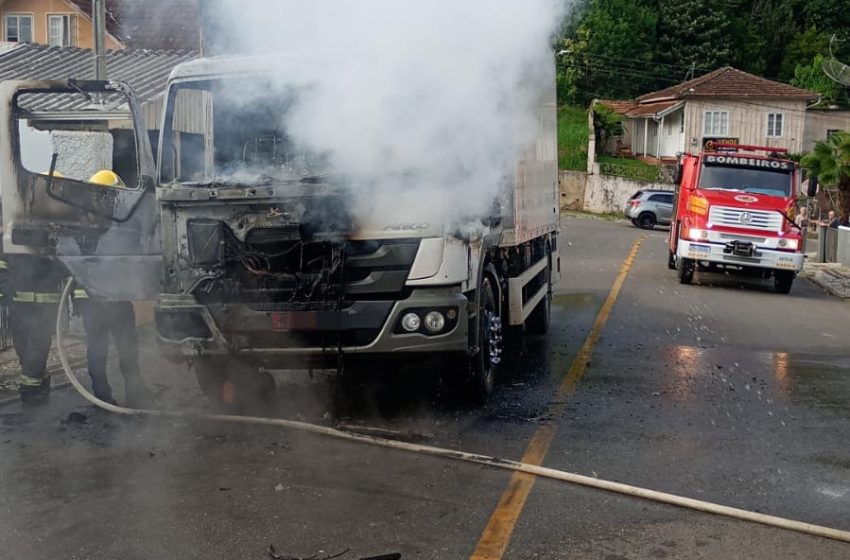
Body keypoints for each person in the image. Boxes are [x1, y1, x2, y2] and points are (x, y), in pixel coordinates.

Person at [73, 170, 153, 406]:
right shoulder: (119, 225)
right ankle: (131, 395)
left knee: (102, 351)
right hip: (111, 300)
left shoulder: (83, 225)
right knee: (125, 349)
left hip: (98, 302)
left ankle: (104, 397)